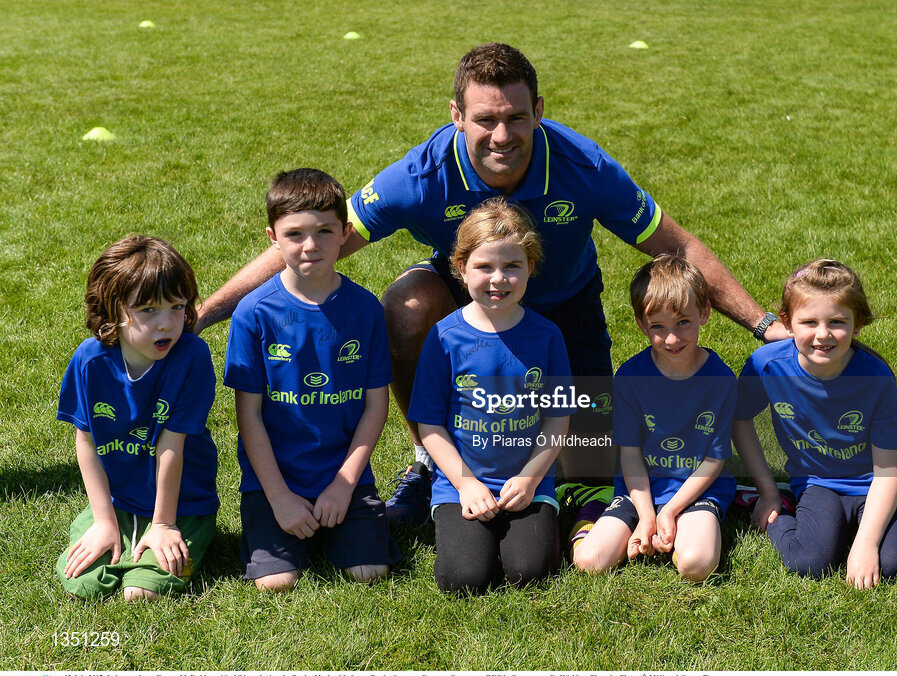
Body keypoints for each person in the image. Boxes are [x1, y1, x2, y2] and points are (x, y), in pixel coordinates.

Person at [196, 43, 788, 526]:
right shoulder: (420, 175)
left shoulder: (583, 166)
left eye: (515, 117)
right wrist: (202, 314)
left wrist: (765, 325)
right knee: (405, 304)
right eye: (485, 119)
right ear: (456, 116)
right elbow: (307, 250)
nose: (502, 135)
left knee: (587, 465)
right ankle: (433, 460)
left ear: (537, 111)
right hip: (468, 311)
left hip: (563, 310)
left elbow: (677, 246)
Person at [223, 169, 400, 591]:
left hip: (343, 476)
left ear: (344, 233)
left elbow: (377, 406)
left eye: (324, 231)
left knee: (368, 572)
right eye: (295, 233)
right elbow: (248, 417)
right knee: (277, 582)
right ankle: (286, 526)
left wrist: (342, 486)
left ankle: (340, 522)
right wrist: (280, 498)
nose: (310, 245)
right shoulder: (253, 313)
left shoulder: (365, 310)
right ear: (273, 237)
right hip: (275, 480)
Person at [407, 198, 573, 594]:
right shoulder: (444, 337)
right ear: (461, 268)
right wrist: (465, 485)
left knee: (530, 574)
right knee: (464, 579)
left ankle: (533, 525)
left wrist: (532, 477)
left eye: (512, 266)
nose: (498, 279)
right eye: (484, 267)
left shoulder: (548, 336)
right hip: (461, 482)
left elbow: (558, 419)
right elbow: (429, 425)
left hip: (528, 481)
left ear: (531, 268)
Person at [733, 259, 897, 588]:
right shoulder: (767, 365)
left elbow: (888, 471)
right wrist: (767, 491)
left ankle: (860, 531)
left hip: (878, 483)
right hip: (819, 482)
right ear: (788, 323)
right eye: (809, 322)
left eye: (837, 321)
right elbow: (738, 418)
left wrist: (865, 543)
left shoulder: (875, 377)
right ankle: (775, 503)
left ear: (857, 324)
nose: (823, 334)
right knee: (809, 563)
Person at [56, 236, 219, 600]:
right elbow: (86, 442)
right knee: (82, 583)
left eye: (177, 307)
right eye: (148, 310)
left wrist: (163, 524)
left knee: (143, 591)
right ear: (112, 310)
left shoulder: (192, 356)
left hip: (183, 502)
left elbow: (171, 443)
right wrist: (102, 521)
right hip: (118, 500)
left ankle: (176, 536)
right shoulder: (89, 360)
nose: (167, 324)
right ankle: (114, 530)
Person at [571, 255, 737, 580]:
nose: (672, 339)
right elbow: (630, 455)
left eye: (683, 323)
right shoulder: (630, 377)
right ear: (640, 324)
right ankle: (596, 512)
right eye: (658, 327)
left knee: (697, 565)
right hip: (640, 490)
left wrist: (672, 511)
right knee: (590, 562)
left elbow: (714, 461)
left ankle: (678, 536)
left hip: (698, 490)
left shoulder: (721, 380)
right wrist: (647, 516)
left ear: (704, 313)